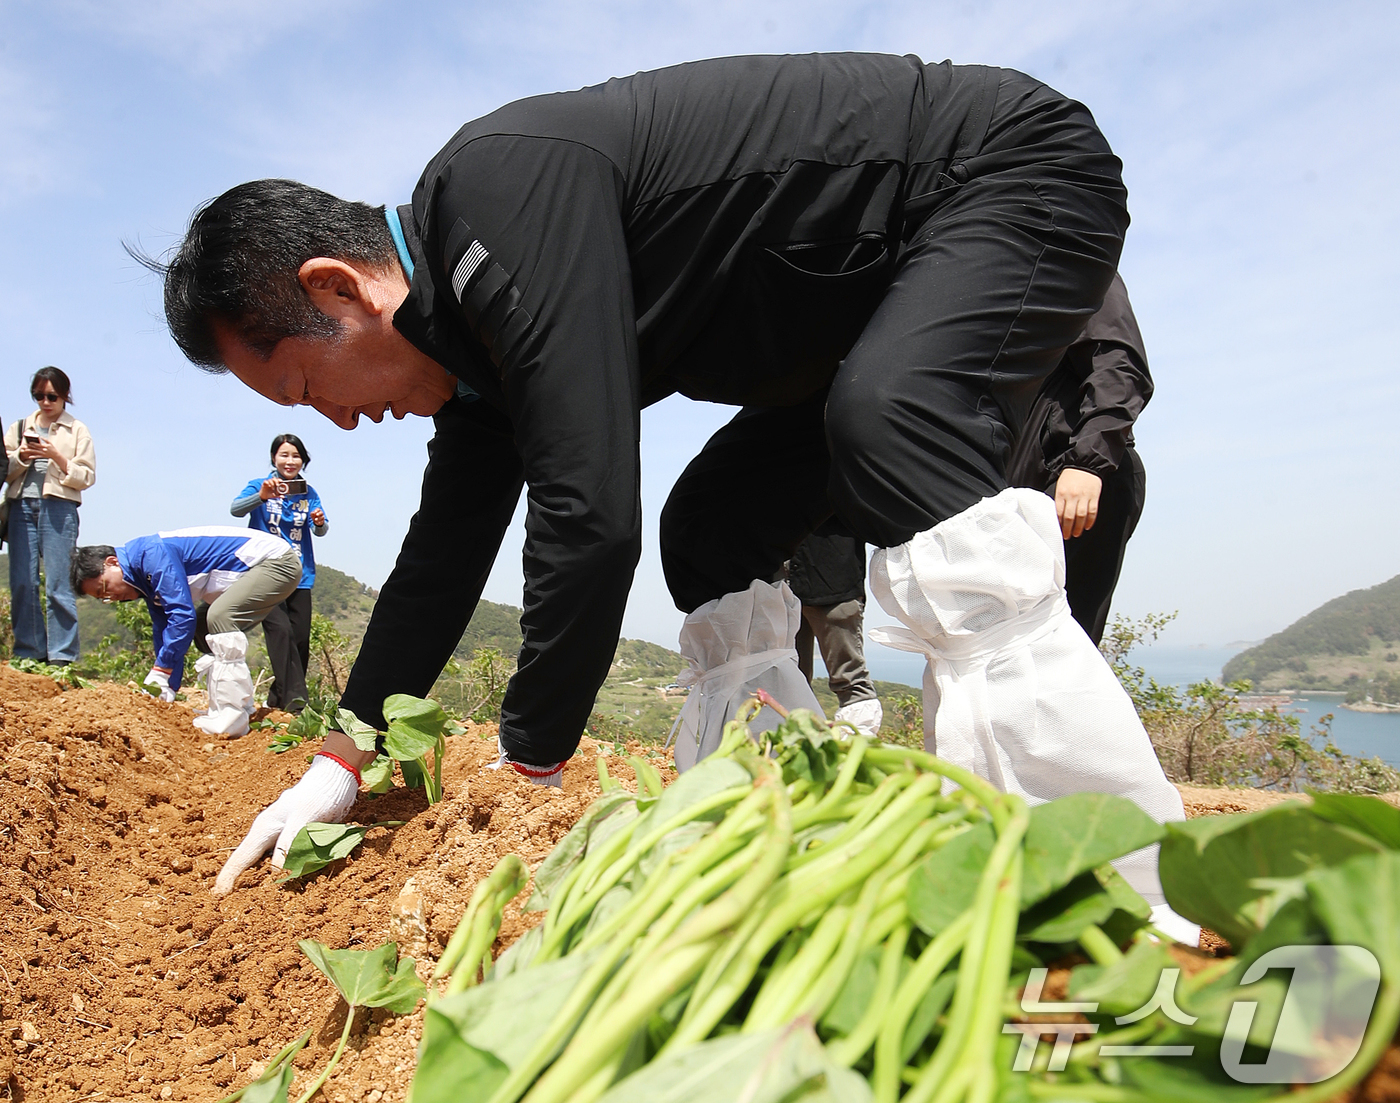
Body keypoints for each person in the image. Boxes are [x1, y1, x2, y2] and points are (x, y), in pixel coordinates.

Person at [147, 50, 1191, 936]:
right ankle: (795, 833)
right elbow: (442, 554)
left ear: (339, 287)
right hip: (871, 306)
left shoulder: (496, 193)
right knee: (711, 530)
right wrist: (343, 748)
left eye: (302, 385)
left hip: (1004, 174)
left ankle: (1111, 886)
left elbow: (587, 510)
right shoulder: (471, 357)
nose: (327, 418)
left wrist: (528, 771)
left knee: (887, 418)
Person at [1006, 273, 1150, 645]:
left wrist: (1088, 462)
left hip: (1072, 479)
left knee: (1062, 651)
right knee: (1005, 658)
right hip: (1011, 494)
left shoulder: (1069, 251)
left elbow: (1117, 361)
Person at [71, 527, 302, 733]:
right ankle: (222, 707)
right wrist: (165, 689)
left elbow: (182, 616)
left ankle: (233, 716)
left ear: (112, 562)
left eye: (105, 588)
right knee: (203, 628)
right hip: (258, 568)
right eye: (103, 598)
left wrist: (161, 670)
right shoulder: (143, 579)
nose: (112, 597)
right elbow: (165, 631)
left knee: (220, 617)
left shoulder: (151, 555)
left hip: (276, 562)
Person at [3, 368, 96, 665]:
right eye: (39, 396)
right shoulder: (20, 427)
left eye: (52, 396)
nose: (45, 402)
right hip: (20, 506)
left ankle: (61, 656)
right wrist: (22, 456)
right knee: (22, 582)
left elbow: (87, 476)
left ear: (65, 396)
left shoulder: (77, 429)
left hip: (59, 506)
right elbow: (4, 470)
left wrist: (56, 455)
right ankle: (29, 653)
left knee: (59, 583)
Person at [230, 434, 329, 711]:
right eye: (284, 455)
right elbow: (235, 510)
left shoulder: (308, 493)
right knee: (280, 632)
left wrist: (319, 522)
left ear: (303, 461)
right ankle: (297, 706)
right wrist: (262, 496)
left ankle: (276, 702)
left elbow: (320, 529)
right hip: (265, 574)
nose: (290, 461)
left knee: (299, 641)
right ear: (274, 458)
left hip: (300, 575)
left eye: (296, 456)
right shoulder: (259, 486)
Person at [786, 521, 883, 738]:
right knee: (790, 683)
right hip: (783, 587)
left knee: (850, 682)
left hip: (833, 580)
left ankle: (858, 757)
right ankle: (799, 757)